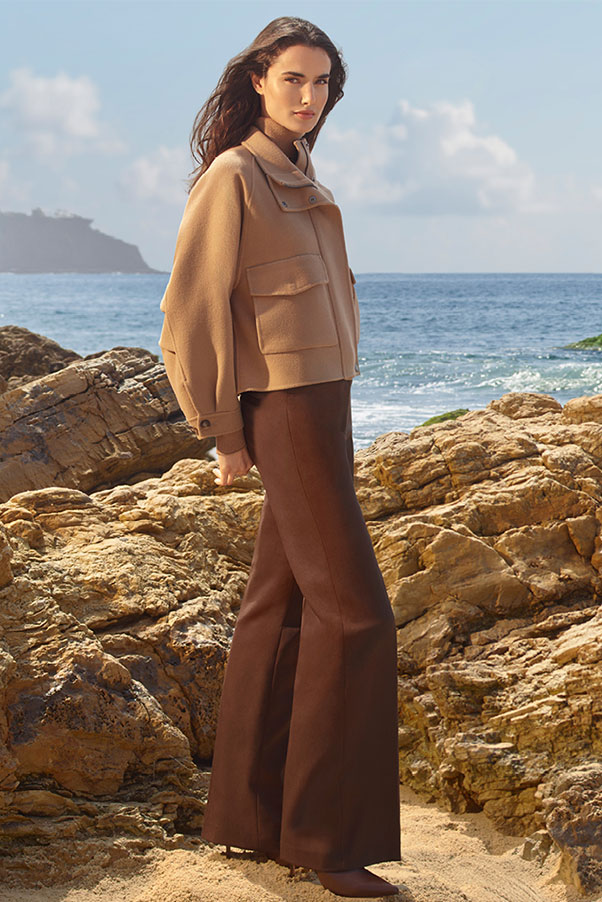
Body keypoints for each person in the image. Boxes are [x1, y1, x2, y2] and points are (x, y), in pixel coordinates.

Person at [158, 16, 401, 898]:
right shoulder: (235, 176)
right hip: (285, 412)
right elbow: (190, 313)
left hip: (327, 406)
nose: (308, 96)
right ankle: (325, 841)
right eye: (293, 79)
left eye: (322, 83)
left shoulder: (300, 176)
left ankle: (249, 817)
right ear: (257, 81)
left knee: (282, 605)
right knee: (358, 618)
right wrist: (223, 432)